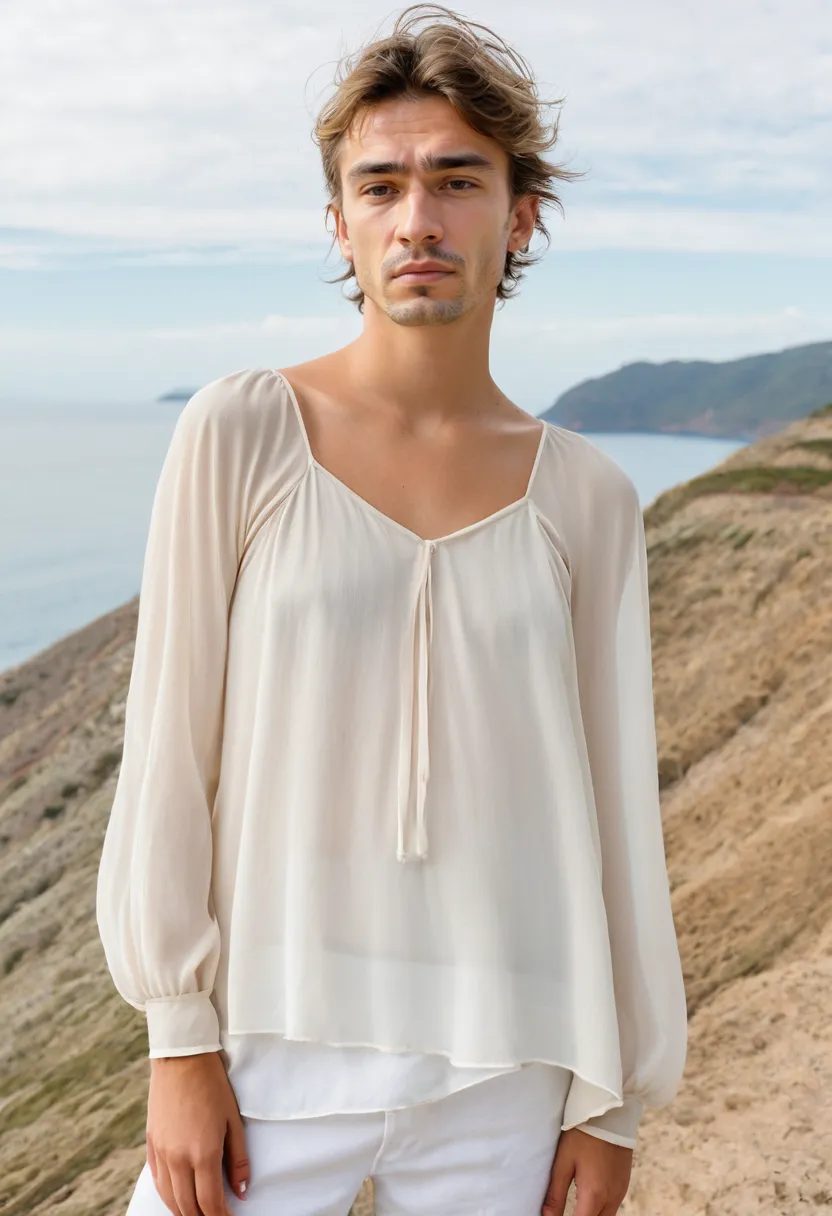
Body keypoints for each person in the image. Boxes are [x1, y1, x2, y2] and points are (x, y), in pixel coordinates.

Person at [96, 5, 688, 1214]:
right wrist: (177, 1036)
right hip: (267, 1051)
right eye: (381, 185)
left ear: (519, 213)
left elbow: (618, 810)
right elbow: (166, 750)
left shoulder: (589, 496)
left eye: (457, 179)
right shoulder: (241, 431)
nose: (418, 218)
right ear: (341, 221)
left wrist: (610, 1098)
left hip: (510, 1073)